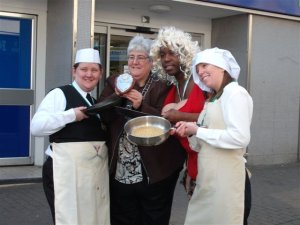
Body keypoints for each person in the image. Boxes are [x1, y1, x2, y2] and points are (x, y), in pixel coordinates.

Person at [98, 35, 186, 225]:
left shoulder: (163, 85)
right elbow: (103, 115)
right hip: (121, 170)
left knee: (153, 218)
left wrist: (141, 105)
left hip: (155, 171)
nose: (134, 62)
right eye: (131, 57)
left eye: (140, 57)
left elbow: (167, 121)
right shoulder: (115, 82)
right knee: (122, 218)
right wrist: (117, 95)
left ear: (151, 61)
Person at [30, 48, 110, 225]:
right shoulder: (59, 94)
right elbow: (36, 127)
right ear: (74, 71)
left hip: (91, 176)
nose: (89, 74)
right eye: (84, 69)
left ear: (100, 73)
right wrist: (71, 115)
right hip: (64, 174)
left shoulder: (96, 102)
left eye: (94, 70)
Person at [175, 47, 253, 225]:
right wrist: (189, 130)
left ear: (221, 67)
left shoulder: (236, 94)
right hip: (209, 179)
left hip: (228, 181)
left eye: (204, 65)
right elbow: (204, 141)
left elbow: (240, 138)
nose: (200, 72)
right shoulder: (213, 99)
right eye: (198, 69)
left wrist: (198, 130)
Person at [150, 26, 206, 198]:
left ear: (184, 54)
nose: (166, 59)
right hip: (194, 166)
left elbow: (213, 120)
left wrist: (178, 116)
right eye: (162, 54)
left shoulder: (201, 82)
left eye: (172, 53)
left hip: (213, 165)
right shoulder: (173, 87)